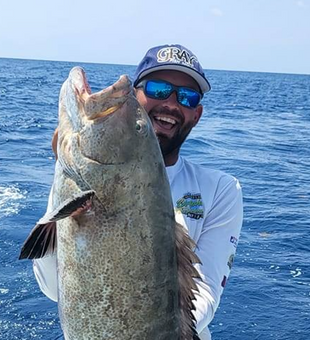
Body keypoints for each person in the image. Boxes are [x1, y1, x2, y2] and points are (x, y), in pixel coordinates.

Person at [33, 44, 243, 340]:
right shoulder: (80, 181)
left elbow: (205, 296)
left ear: (196, 114)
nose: (171, 103)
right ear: (137, 96)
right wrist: (65, 189)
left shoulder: (222, 189)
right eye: (158, 89)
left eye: (187, 96)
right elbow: (52, 288)